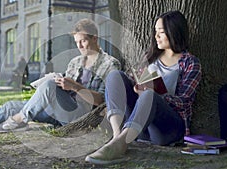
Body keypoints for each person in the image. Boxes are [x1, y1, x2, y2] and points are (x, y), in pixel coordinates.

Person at [0, 18, 121, 135]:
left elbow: (102, 101)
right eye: (77, 42)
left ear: (95, 38)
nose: (79, 46)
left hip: (83, 116)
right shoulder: (75, 62)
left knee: (49, 88)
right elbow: (63, 90)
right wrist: (61, 82)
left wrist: (76, 87)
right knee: (12, 105)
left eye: (83, 41)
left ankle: (21, 118)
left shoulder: (110, 64)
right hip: (61, 110)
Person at [85, 11, 202, 165]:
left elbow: (185, 101)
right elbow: (130, 82)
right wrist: (137, 86)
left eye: (161, 32)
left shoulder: (190, 63)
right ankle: (117, 137)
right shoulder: (150, 57)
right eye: (155, 32)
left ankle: (121, 143)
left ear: (174, 32)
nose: (156, 36)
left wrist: (156, 94)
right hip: (141, 127)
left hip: (168, 129)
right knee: (116, 76)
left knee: (150, 96)